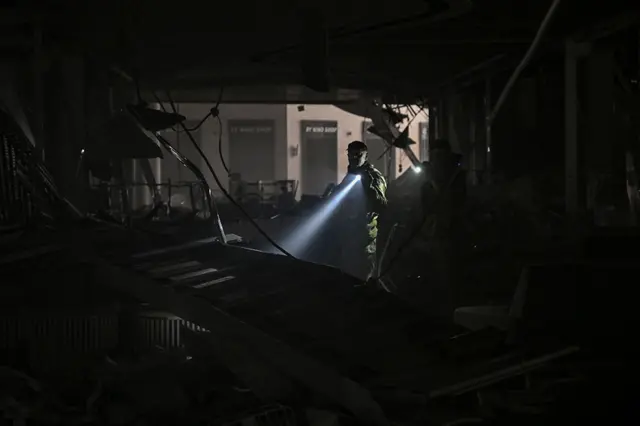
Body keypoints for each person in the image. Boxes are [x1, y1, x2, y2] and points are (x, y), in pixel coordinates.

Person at [334, 141, 388, 280]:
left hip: (364, 241)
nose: (353, 158)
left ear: (366, 156)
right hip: (348, 238)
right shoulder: (350, 176)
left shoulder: (374, 177)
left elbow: (381, 204)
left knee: (363, 281)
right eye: (350, 155)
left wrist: (369, 187)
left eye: (358, 155)